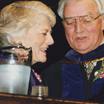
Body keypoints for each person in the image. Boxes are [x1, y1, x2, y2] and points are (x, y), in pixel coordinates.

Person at [41, 0, 104, 101]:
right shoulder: (52, 74)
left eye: (87, 20)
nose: (78, 29)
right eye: (70, 22)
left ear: (103, 21)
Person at [0, 1, 56, 94]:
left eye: (50, 33)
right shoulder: (6, 74)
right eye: (44, 33)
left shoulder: (29, 74)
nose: (51, 41)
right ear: (17, 36)